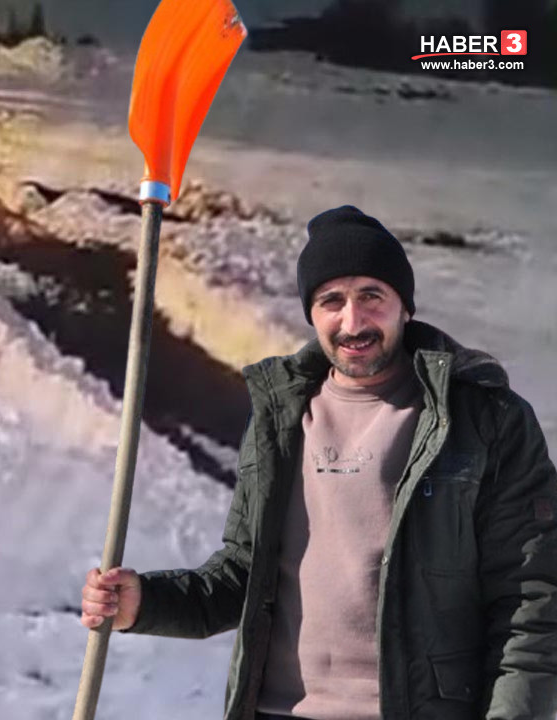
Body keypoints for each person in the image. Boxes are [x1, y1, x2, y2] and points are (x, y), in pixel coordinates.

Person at [80, 205, 557, 720]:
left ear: (405, 306)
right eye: (332, 301)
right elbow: (245, 573)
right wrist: (145, 603)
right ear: (312, 314)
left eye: (371, 296)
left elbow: (530, 601)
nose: (353, 321)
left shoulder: (484, 419)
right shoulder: (281, 417)